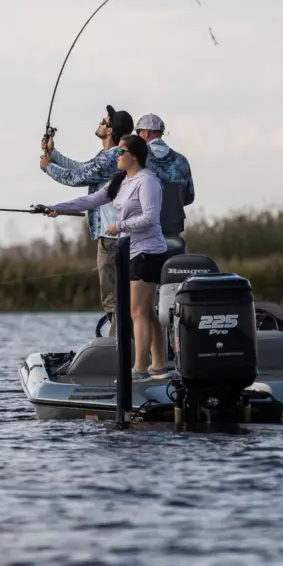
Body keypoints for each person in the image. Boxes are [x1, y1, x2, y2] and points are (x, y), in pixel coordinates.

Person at [41, 134, 170, 381]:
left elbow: (151, 219)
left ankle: (140, 370)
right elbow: (91, 200)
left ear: (134, 156)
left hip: (149, 252)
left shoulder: (147, 182)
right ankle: (159, 366)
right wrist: (58, 207)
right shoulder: (121, 181)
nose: (116, 156)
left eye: (120, 152)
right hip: (132, 252)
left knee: (138, 313)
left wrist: (118, 226)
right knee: (147, 313)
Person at [39, 105, 135, 337]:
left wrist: (48, 167)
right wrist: (54, 154)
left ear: (110, 130)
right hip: (111, 236)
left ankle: (118, 348)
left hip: (113, 238)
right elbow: (84, 168)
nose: (100, 124)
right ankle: (120, 345)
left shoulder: (113, 158)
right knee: (113, 299)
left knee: (113, 300)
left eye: (104, 121)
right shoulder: (109, 157)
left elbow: (80, 177)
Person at [134, 113, 195, 239]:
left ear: (145, 133)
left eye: (138, 133)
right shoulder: (182, 161)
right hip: (174, 232)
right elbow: (189, 197)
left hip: (145, 234)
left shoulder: (137, 160)